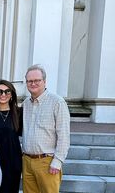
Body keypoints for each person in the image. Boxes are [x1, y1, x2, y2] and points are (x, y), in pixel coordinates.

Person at [22, 64, 70, 193]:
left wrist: (58, 161)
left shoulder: (57, 102)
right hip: (27, 161)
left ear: (44, 81)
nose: (33, 83)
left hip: (47, 162)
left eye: (37, 80)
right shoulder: (26, 103)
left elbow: (64, 135)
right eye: (30, 81)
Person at [0, 80, 22, 193]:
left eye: (7, 92)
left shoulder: (19, 113)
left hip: (13, 160)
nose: (3, 95)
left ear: (12, 95)